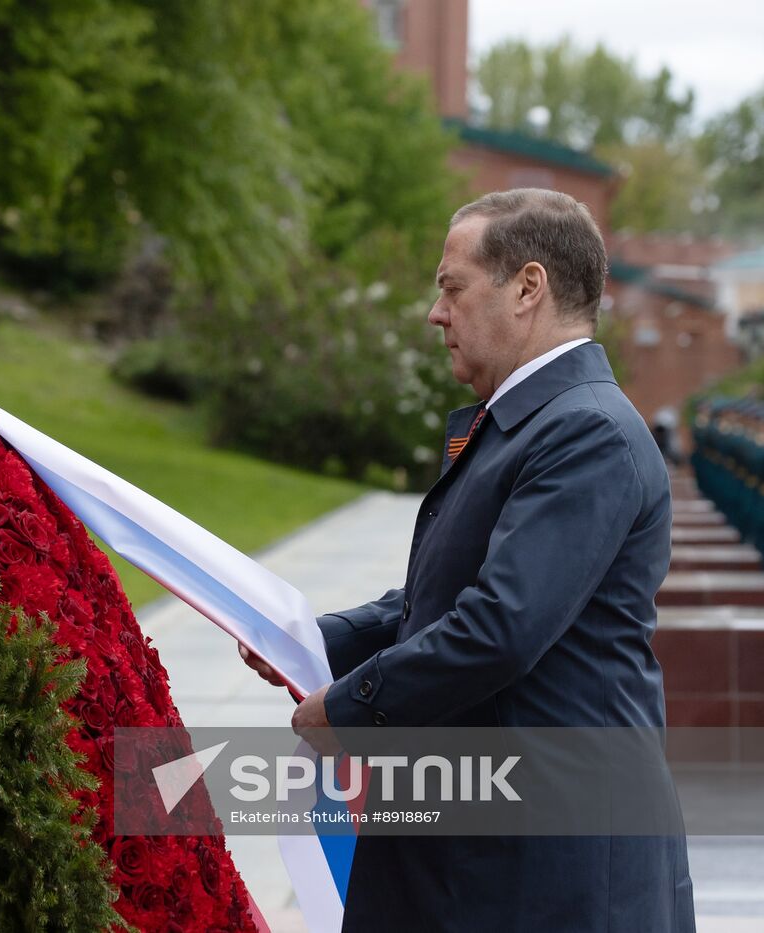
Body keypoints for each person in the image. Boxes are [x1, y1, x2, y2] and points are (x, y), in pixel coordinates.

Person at [243, 188, 695, 931]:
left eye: (451, 288)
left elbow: (499, 625)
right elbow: (444, 593)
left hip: (547, 867)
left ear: (527, 287)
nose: (435, 313)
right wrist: (317, 638)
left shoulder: (586, 433)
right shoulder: (537, 419)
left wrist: (351, 709)